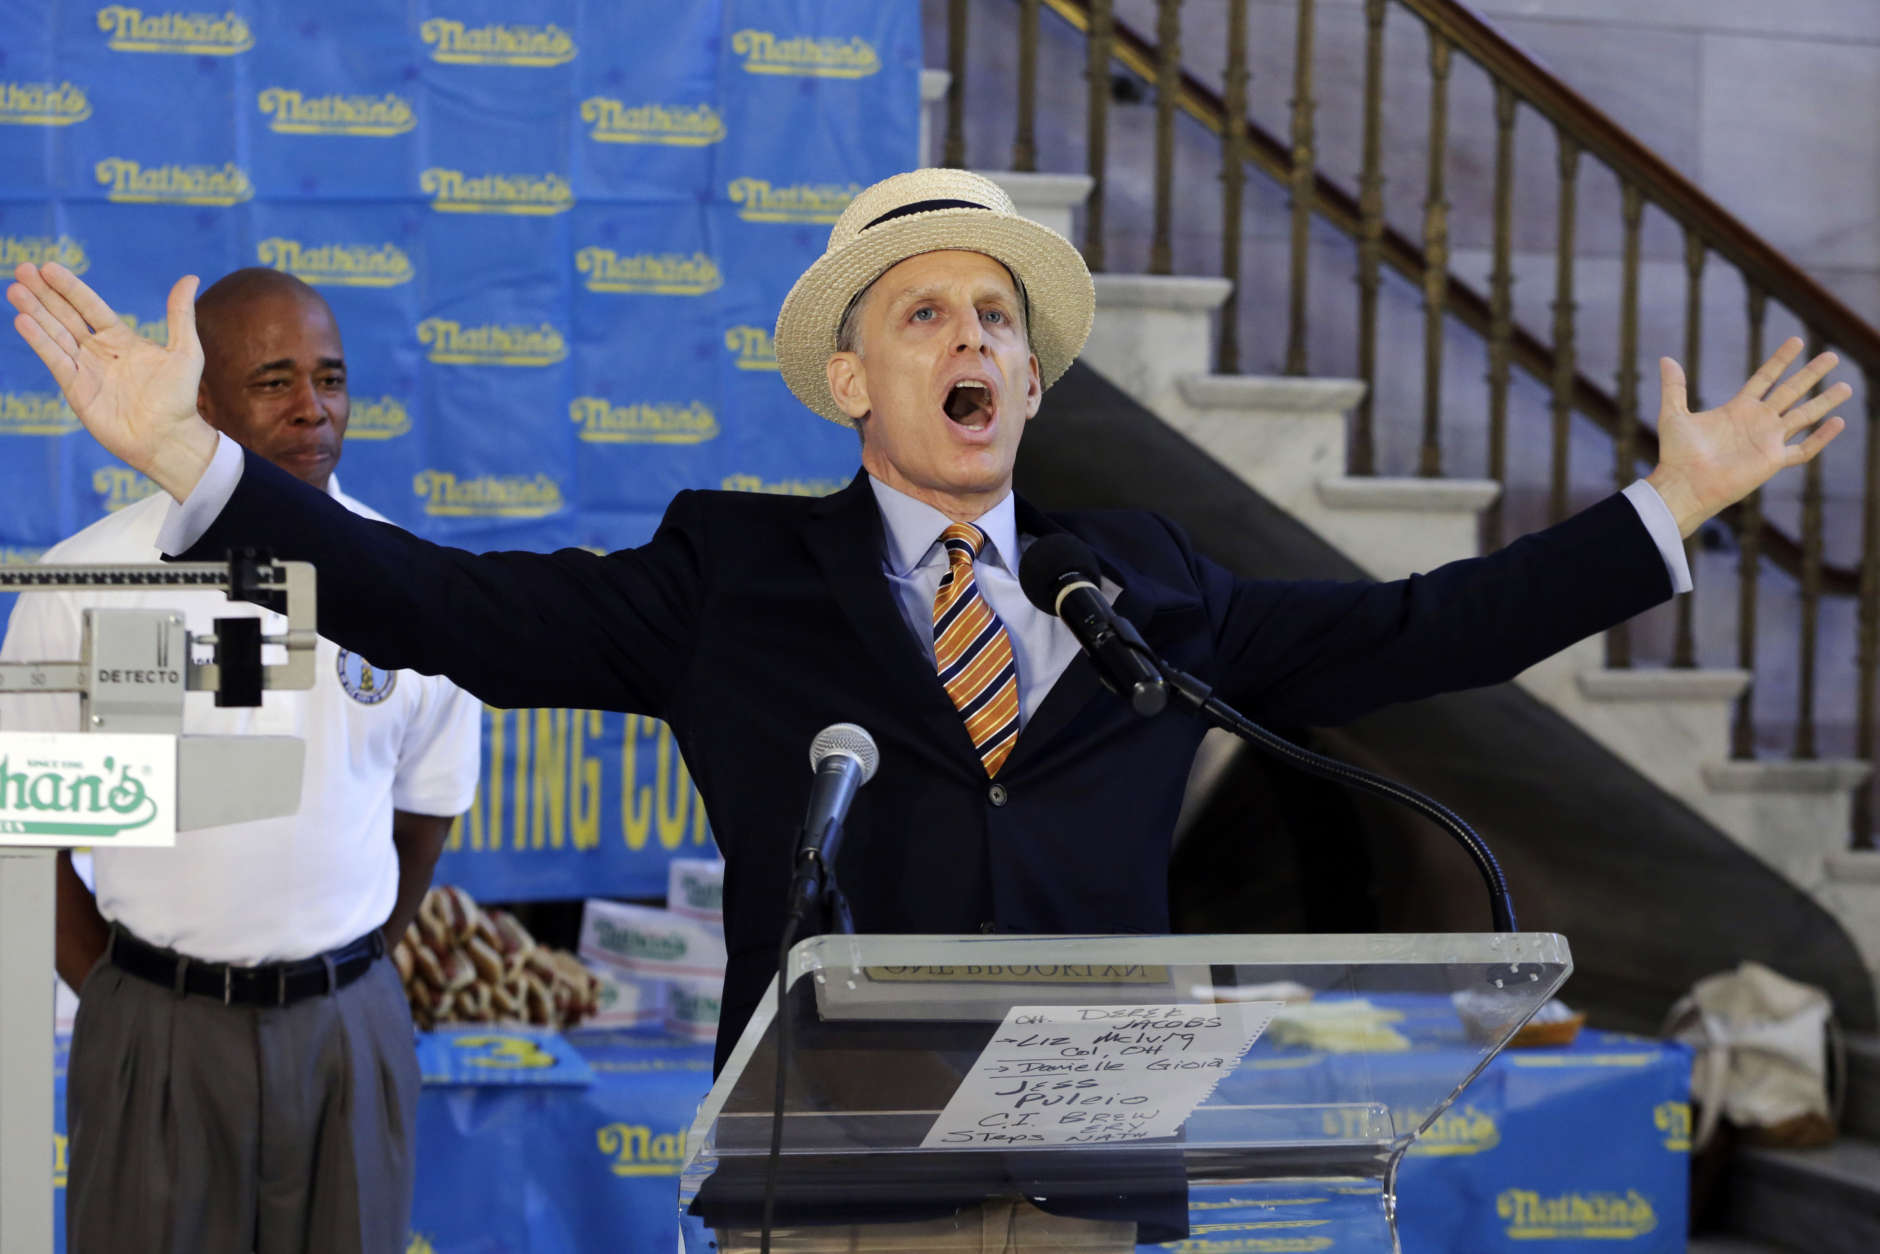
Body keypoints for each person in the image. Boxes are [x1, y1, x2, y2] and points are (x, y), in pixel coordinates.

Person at [7, 170, 1846, 1251]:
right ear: (849, 376)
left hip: (1084, 1177)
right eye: (925, 313)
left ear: (1030, 380)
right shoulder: (734, 576)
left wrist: (1663, 510)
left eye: (998, 316)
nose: (973, 336)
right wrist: (194, 464)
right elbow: (450, 609)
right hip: (826, 1191)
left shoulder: (1142, 582)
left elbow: (1414, 628)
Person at [0, 268, 482, 1254]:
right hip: (153, 1032)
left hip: (348, 1030)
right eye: (273, 381)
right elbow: (28, 838)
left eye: (330, 378)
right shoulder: (83, 584)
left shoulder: (416, 586)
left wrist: (344, 973)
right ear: (200, 398)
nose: (313, 407)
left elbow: (424, 816)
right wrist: (128, 998)